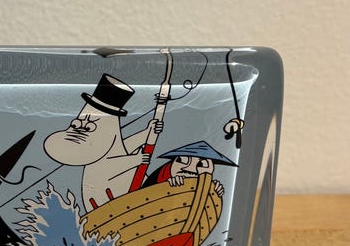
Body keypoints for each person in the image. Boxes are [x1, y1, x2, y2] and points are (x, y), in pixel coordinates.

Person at [44, 73, 162, 211]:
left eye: (89, 126)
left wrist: (147, 133)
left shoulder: (107, 142)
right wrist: (135, 159)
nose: (81, 126)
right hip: (108, 208)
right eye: (77, 124)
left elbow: (121, 150)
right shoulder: (97, 157)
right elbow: (107, 168)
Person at [143, 141, 237, 197]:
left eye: (200, 164)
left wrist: (214, 190)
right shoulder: (160, 175)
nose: (190, 169)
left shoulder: (204, 180)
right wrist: (167, 185)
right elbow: (150, 192)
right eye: (183, 161)